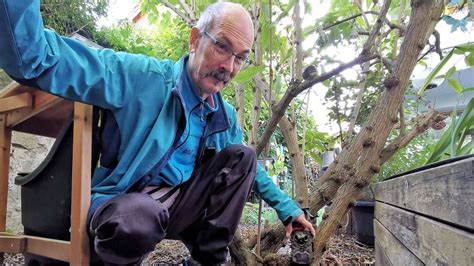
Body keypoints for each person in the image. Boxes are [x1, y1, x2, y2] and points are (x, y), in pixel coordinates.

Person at [0, 1, 315, 264]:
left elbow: (252, 173)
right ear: (195, 40)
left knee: (243, 156)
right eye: (222, 47)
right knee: (138, 216)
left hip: (180, 208)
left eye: (240, 58)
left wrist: (288, 210)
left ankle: (204, 261)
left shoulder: (222, 114)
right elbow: (36, 60)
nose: (229, 67)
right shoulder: (141, 78)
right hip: (127, 205)